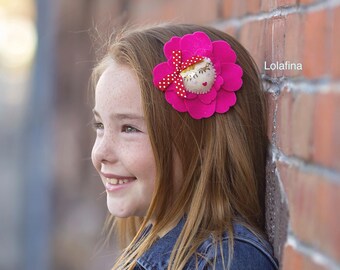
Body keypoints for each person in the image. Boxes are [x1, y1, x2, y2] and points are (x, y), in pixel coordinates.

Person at [91, 23, 279, 270]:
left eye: (129, 128)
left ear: (201, 140)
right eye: (99, 125)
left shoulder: (225, 260)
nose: (100, 153)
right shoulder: (153, 247)